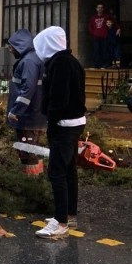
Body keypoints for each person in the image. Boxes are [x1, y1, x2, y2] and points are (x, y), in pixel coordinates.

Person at [32, 26, 86, 239]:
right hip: (75, 122)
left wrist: (51, 120)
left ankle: (60, 222)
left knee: (57, 172)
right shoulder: (72, 61)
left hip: (63, 125)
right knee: (69, 169)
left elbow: (58, 98)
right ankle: (69, 214)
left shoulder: (59, 64)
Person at [6, 29, 47, 176]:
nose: (10, 50)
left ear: (20, 46)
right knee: (33, 150)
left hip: (27, 117)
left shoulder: (28, 61)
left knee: (28, 152)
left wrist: (16, 110)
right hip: (34, 115)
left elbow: (27, 89)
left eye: (11, 47)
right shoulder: (34, 59)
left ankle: (30, 187)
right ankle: (37, 182)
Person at [87, 3, 112, 68]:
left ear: (103, 9)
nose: (100, 9)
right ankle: (96, 64)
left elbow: (113, 22)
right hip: (96, 37)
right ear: (96, 9)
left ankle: (105, 64)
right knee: (96, 51)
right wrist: (93, 33)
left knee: (104, 51)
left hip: (104, 37)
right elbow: (90, 26)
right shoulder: (93, 18)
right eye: (98, 7)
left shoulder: (106, 16)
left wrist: (118, 28)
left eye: (101, 7)